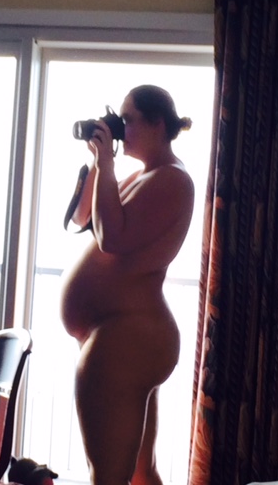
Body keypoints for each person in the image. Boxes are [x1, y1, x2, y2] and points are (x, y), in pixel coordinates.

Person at [60, 84, 195, 485]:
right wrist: (99, 161)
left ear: (157, 124)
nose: (121, 128)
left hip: (127, 337)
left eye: (127, 119)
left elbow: (112, 239)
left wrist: (107, 164)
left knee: (109, 476)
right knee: (139, 473)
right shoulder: (143, 175)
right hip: (123, 334)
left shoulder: (172, 179)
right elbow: (82, 218)